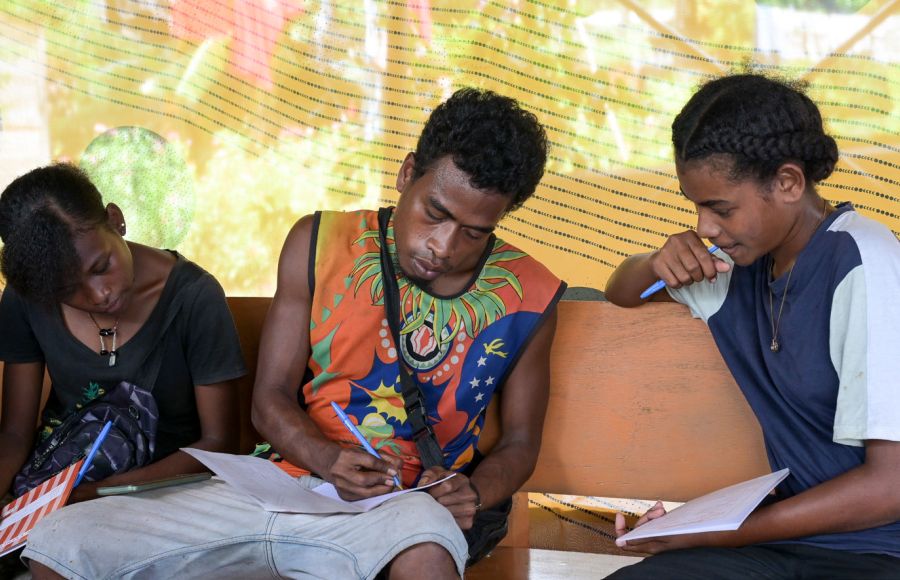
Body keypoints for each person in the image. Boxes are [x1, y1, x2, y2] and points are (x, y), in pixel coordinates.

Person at [24, 87, 566, 580]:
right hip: (276, 489)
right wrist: (325, 459)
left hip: (401, 509)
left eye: (475, 231)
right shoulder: (319, 242)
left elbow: (520, 442)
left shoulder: (530, 295)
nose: (443, 246)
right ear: (406, 175)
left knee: (425, 554)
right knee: (62, 543)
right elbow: (269, 401)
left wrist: (474, 491)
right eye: (434, 213)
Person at [604, 73, 900, 578]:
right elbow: (621, 291)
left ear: (787, 183)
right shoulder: (735, 265)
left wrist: (712, 530)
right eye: (695, 206)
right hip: (782, 544)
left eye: (720, 208)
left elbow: (889, 486)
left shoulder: (862, 261)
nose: (704, 227)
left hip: (875, 553)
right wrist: (658, 261)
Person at [0, 163, 246, 568]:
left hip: (163, 493)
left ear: (115, 220)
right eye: (67, 291)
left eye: (101, 267)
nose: (99, 294)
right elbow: (13, 433)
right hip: (54, 489)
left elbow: (220, 444)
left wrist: (97, 494)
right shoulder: (27, 299)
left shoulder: (195, 297)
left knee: (61, 555)